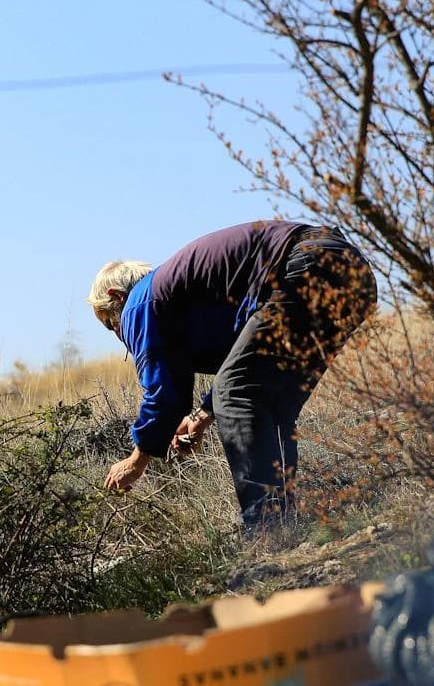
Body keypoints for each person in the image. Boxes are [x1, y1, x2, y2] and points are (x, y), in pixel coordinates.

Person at [87, 221, 377, 528]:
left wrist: (136, 461)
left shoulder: (140, 303)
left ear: (116, 296)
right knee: (275, 405)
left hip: (304, 265)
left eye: (111, 324)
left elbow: (164, 395)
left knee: (237, 395)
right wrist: (200, 417)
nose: (120, 335)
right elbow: (244, 370)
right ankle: (283, 527)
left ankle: (264, 529)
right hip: (350, 271)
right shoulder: (181, 294)